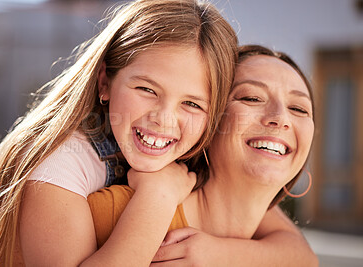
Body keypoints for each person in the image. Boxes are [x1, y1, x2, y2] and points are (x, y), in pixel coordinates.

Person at [0, 0, 238, 266]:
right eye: (147, 89)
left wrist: (222, 255)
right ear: (105, 81)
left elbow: (282, 243)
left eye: (192, 104)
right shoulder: (60, 161)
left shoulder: (205, 152)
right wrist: (158, 196)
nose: (164, 119)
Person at [87, 44, 318, 266]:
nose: (281, 118)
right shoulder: (117, 212)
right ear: (206, 121)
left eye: (299, 108)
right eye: (251, 98)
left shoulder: (274, 256)